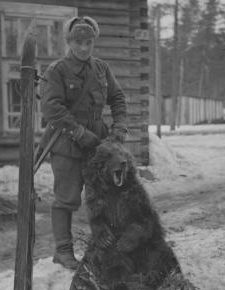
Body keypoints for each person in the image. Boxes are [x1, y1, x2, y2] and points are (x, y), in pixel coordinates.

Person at [36, 16, 128, 270]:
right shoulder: (57, 71)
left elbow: (118, 98)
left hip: (98, 146)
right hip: (67, 144)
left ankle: (104, 248)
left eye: (88, 42)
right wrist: (78, 133)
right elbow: (51, 108)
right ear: (69, 42)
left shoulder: (101, 69)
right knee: (66, 199)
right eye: (78, 42)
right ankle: (63, 252)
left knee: (103, 197)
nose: (84, 48)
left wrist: (119, 128)